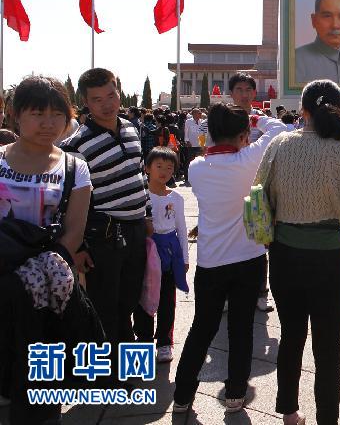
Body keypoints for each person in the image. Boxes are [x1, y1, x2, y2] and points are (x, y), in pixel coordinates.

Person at [254, 80, 340, 425]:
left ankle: (289, 412)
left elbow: (259, 193)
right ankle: (327, 420)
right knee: (328, 347)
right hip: (328, 259)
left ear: (302, 110)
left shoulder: (279, 144)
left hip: (285, 255)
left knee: (290, 335)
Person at [172, 103, 287, 414]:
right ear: (242, 134)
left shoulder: (196, 169)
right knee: (241, 329)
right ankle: (235, 393)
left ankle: (182, 395)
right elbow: (281, 129)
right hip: (249, 258)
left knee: (202, 328)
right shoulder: (250, 159)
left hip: (210, 262)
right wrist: (257, 117)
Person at [0, 76, 93, 424]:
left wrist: (37, 270)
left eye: (57, 113)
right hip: (2, 279)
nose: (48, 123)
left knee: (39, 381)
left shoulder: (74, 166)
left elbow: (73, 231)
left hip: (46, 288)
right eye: (37, 113)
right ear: (16, 115)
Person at [62, 68, 151, 380]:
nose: (106, 104)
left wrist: (148, 214)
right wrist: (79, 246)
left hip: (136, 230)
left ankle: (125, 368)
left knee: (129, 300)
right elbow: (68, 201)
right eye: (96, 99)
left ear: (119, 91)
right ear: (85, 102)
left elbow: (140, 175)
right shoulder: (75, 146)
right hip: (104, 235)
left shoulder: (130, 128)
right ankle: (107, 374)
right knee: (104, 304)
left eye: (111, 95)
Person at [132, 146, 189, 363]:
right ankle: (144, 337)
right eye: (158, 166)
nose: (164, 171)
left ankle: (164, 341)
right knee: (144, 295)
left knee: (167, 297)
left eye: (169, 167)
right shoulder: (141, 195)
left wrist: (184, 257)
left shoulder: (176, 198)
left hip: (169, 250)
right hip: (146, 251)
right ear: (147, 168)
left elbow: (182, 228)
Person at [226, 72, 273, 312]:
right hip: (229, 189)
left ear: (254, 93)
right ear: (231, 93)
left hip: (257, 187)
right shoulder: (219, 120)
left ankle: (261, 292)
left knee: (259, 241)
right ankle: (227, 293)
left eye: (248, 90)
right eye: (239, 90)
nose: (244, 95)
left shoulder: (263, 120)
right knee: (229, 240)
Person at [182, 108, 207, 186]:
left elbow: (203, 134)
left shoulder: (201, 122)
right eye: (198, 113)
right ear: (194, 114)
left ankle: (197, 177)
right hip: (191, 145)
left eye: (200, 113)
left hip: (200, 145)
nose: (200, 114)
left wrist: (203, 144)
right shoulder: (188, 122)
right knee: (189, 161)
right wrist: (187, 141)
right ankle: (187, 178)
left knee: (199, 162)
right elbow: (186, 132)